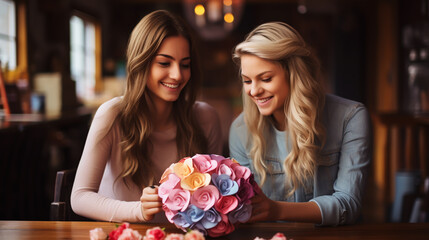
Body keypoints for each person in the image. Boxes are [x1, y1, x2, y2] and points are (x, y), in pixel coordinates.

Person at [71, 10, 223, 223]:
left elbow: (213, 200)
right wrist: (138, 211)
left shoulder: (206, 118)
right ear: (141, 63)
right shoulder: (112, 115)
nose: (178, 75)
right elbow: (80, 197)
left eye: (185, 64)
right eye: (164, 63)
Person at [229, 22, 371, 226]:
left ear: (295, 74)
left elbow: (347, 205)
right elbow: (246, 207)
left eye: (266, 79)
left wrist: (276, 210)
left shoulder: (351, 118)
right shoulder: (240, 130)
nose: (254, 91)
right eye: (247, 81)